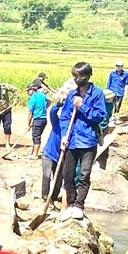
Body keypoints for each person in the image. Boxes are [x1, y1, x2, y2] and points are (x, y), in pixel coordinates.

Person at [42, 61, 106, 220]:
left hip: (88, 140)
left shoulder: (97, 94)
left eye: (80, 76)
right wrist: (64, 135)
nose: (78, 79)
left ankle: (79, 206)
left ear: (88, 76)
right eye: (75, 76)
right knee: (68, 174)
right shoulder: (72, 94)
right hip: (71, 140)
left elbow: (100, 116)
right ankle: (69, 205)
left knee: (84, 174)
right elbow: (65, 117)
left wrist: (82, 106)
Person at [26, 81, 49, 158]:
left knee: (36, 137)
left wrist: (28, 125)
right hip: (44, 119)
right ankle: (33, 153)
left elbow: (30, 113)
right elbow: (49, 100)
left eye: (28, 90)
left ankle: (35, 155)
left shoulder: (32, 98)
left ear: (32, 89)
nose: (27, 92)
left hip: (38, 119)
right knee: (36, 136)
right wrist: (45, 107)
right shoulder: (42, 95)